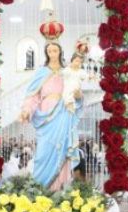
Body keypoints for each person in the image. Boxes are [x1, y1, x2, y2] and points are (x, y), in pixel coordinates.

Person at [19, 43, 84, 190]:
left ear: (60, 52)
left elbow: (76, 94)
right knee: (43, 153)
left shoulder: (66, 72)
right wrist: (26, 110)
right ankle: (41, 190)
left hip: (63, 115)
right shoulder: (41, 73)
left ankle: (59, 189)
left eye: (55, 50)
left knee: (62, 152)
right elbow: (33, 96)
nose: (52, 53)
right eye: (49, 51)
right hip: (46, 118)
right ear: (46, 53)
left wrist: (79, 96)